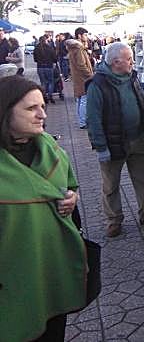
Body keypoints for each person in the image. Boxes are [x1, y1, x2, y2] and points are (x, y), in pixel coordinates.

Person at [0, 76, 86, 342]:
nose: (42, 115)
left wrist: (72, 198)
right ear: (5, 112)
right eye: (31, 108)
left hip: (53, 273)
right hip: (14, 284)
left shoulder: (51, 148)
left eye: (42, 106)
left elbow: (69, 185)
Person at [86, 42, 144, 238]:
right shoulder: (98, 84)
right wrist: (101, 147)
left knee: (143, 178)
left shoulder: (132, 77)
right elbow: (93, 119)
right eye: (128, 59)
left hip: (137, 138)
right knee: (110, 184)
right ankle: (114, 220)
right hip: (112, 142)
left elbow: (142, 105)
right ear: (116, 62)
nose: (132, 63)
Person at [66, 32, 94, 128]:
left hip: (78, 77)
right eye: (85, 35)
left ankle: (81, 120)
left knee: (80, 99)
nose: (87, 37)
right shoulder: (78, 49)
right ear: (79, 35)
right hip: (83, 78)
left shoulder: (74, 48)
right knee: (84, 99)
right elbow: (81, 65)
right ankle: (83, 122)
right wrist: (90, 75)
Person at [33, 34, 58, 104]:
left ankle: (44, 96)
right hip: (49, 67)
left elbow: (35, 59)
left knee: (43, 82)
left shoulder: (36, 48)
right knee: (50, 82)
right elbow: (54, 58)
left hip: (40, 67)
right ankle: (50, 96)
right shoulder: (49, 48)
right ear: (45, 40)